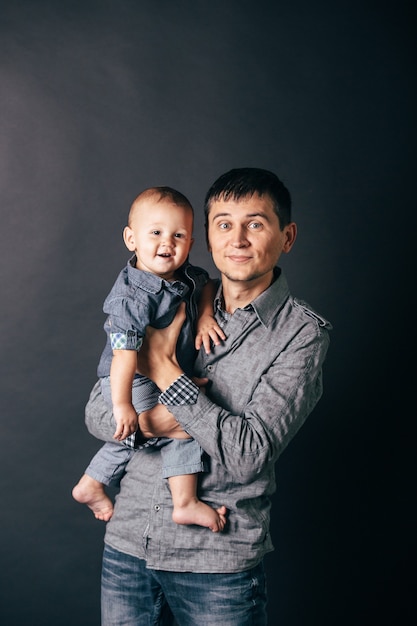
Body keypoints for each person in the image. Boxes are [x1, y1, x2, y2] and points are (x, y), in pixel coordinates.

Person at [84, 168, 332, 625]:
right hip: (128, 544)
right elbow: (98, 415)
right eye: (223, 223)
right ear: (209, 237)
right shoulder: (167, 295)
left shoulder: (302, 335)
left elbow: (248, 455)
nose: (236, 238)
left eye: (255, 223)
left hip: (215, 564)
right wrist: (161, 422)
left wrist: (162, 367)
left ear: (288, 236)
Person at [73, 186, 226, 532]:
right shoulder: (131, 297)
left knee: (179, 419)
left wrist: (204, 316)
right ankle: (103, 484)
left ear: (190, 244)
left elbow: (206, 286)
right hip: (129, 377)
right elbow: (124, 355)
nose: (166, 243)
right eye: (155, 232)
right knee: (173, 425)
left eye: (179, 235)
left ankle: (99, 484)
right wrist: (123, 403)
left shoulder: (186, 275)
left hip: (160, 375)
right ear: (131, 238)